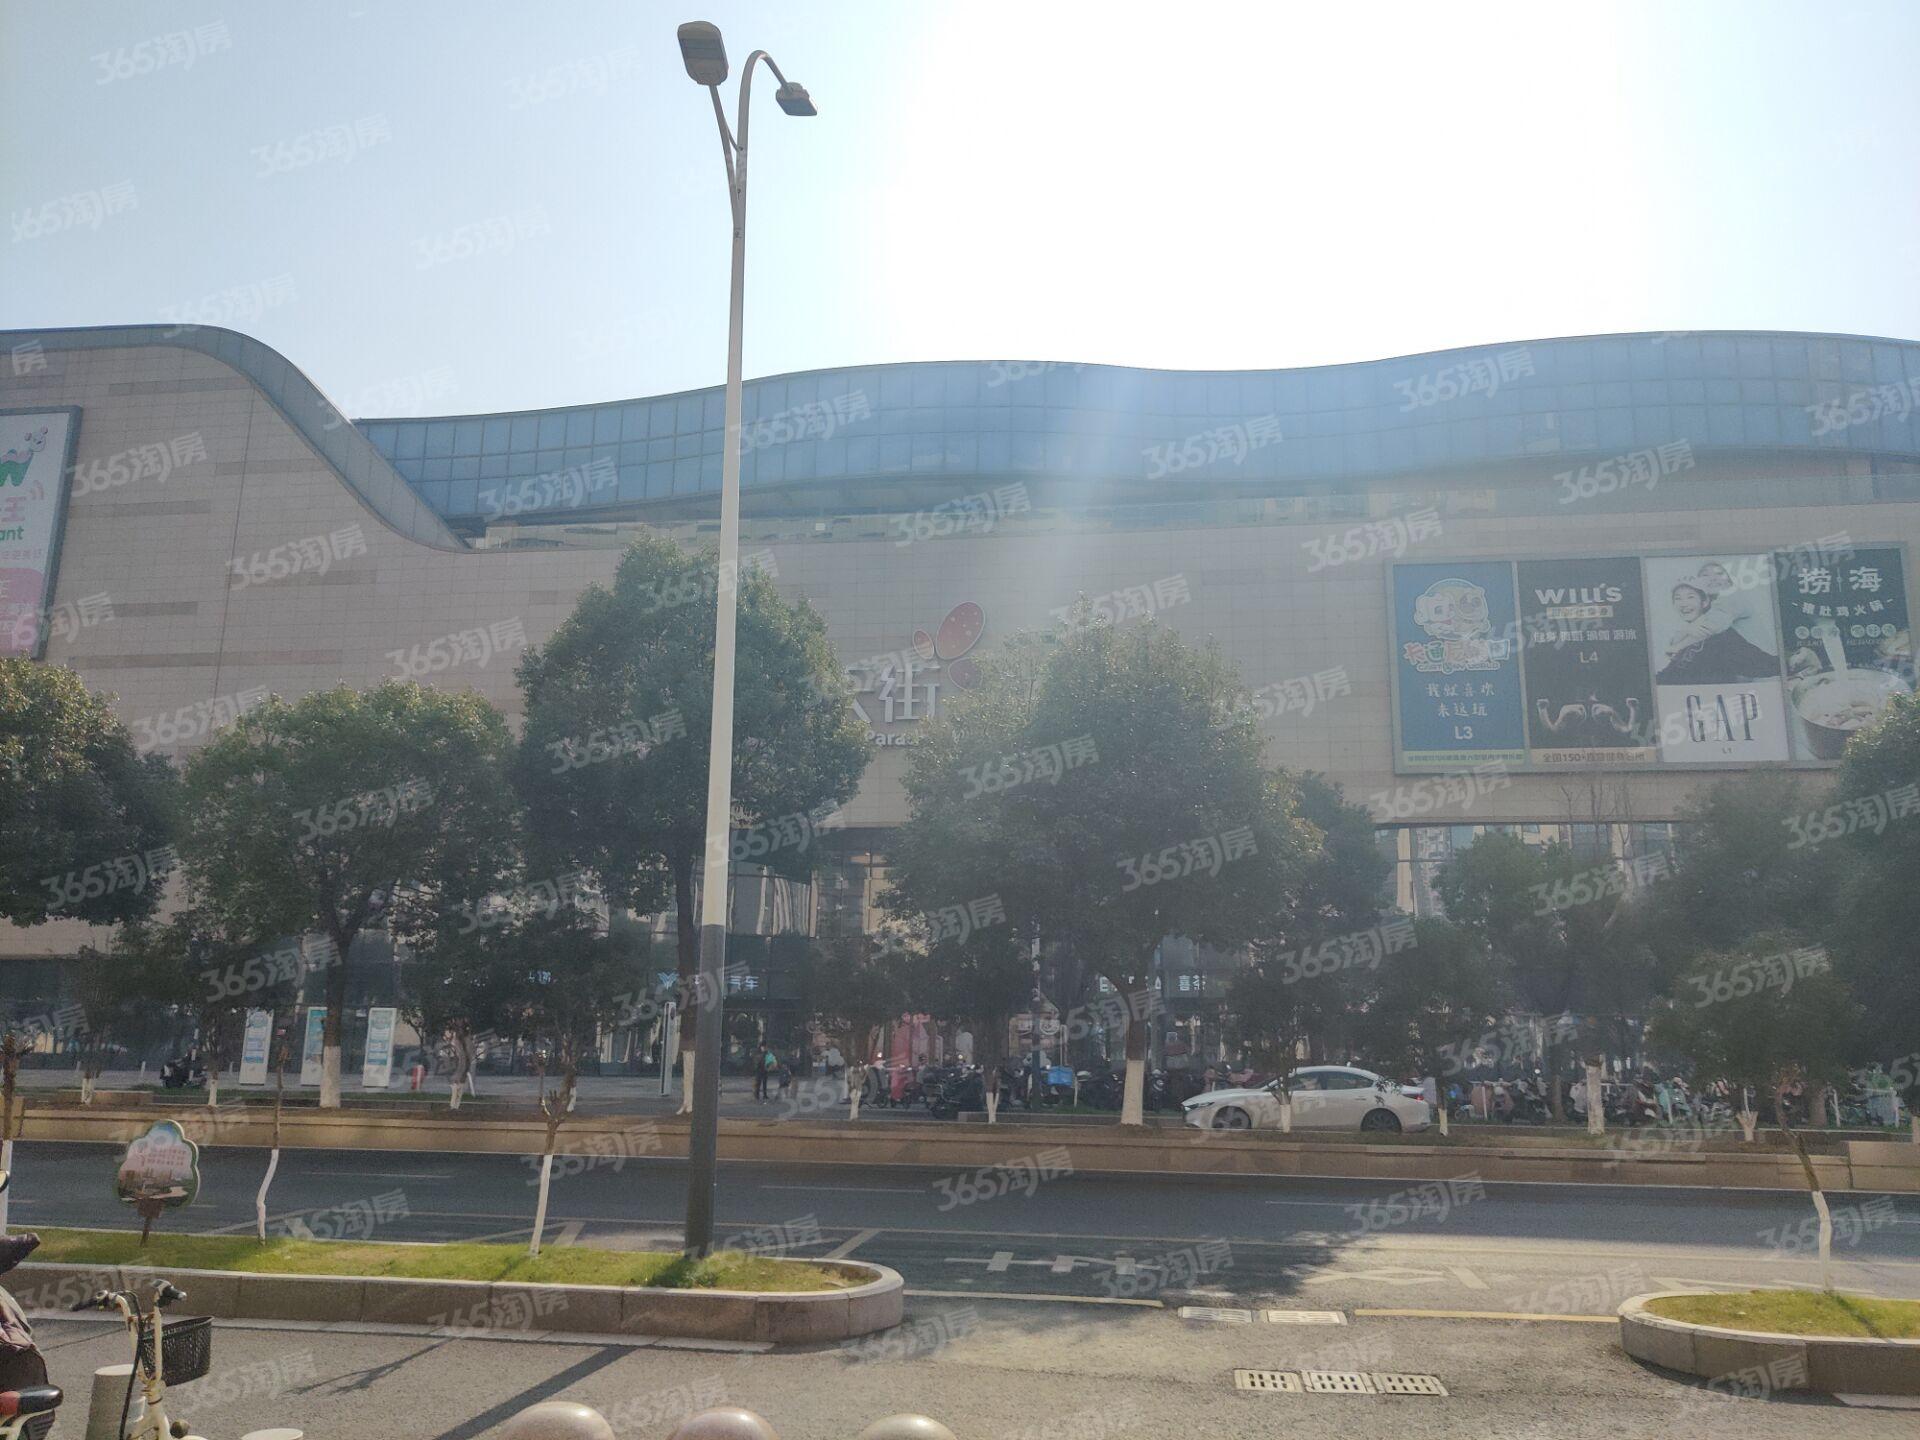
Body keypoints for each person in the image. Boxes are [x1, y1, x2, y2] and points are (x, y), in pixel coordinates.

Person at [1656, 574, 1779, 684]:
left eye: (1690, 597)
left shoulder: (1722, 637)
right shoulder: (1685, 636)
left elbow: (1764, 665)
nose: (1684, 603)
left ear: (1705, 602)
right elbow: (1669, 674)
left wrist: (1786, 665)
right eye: (1678, 598)